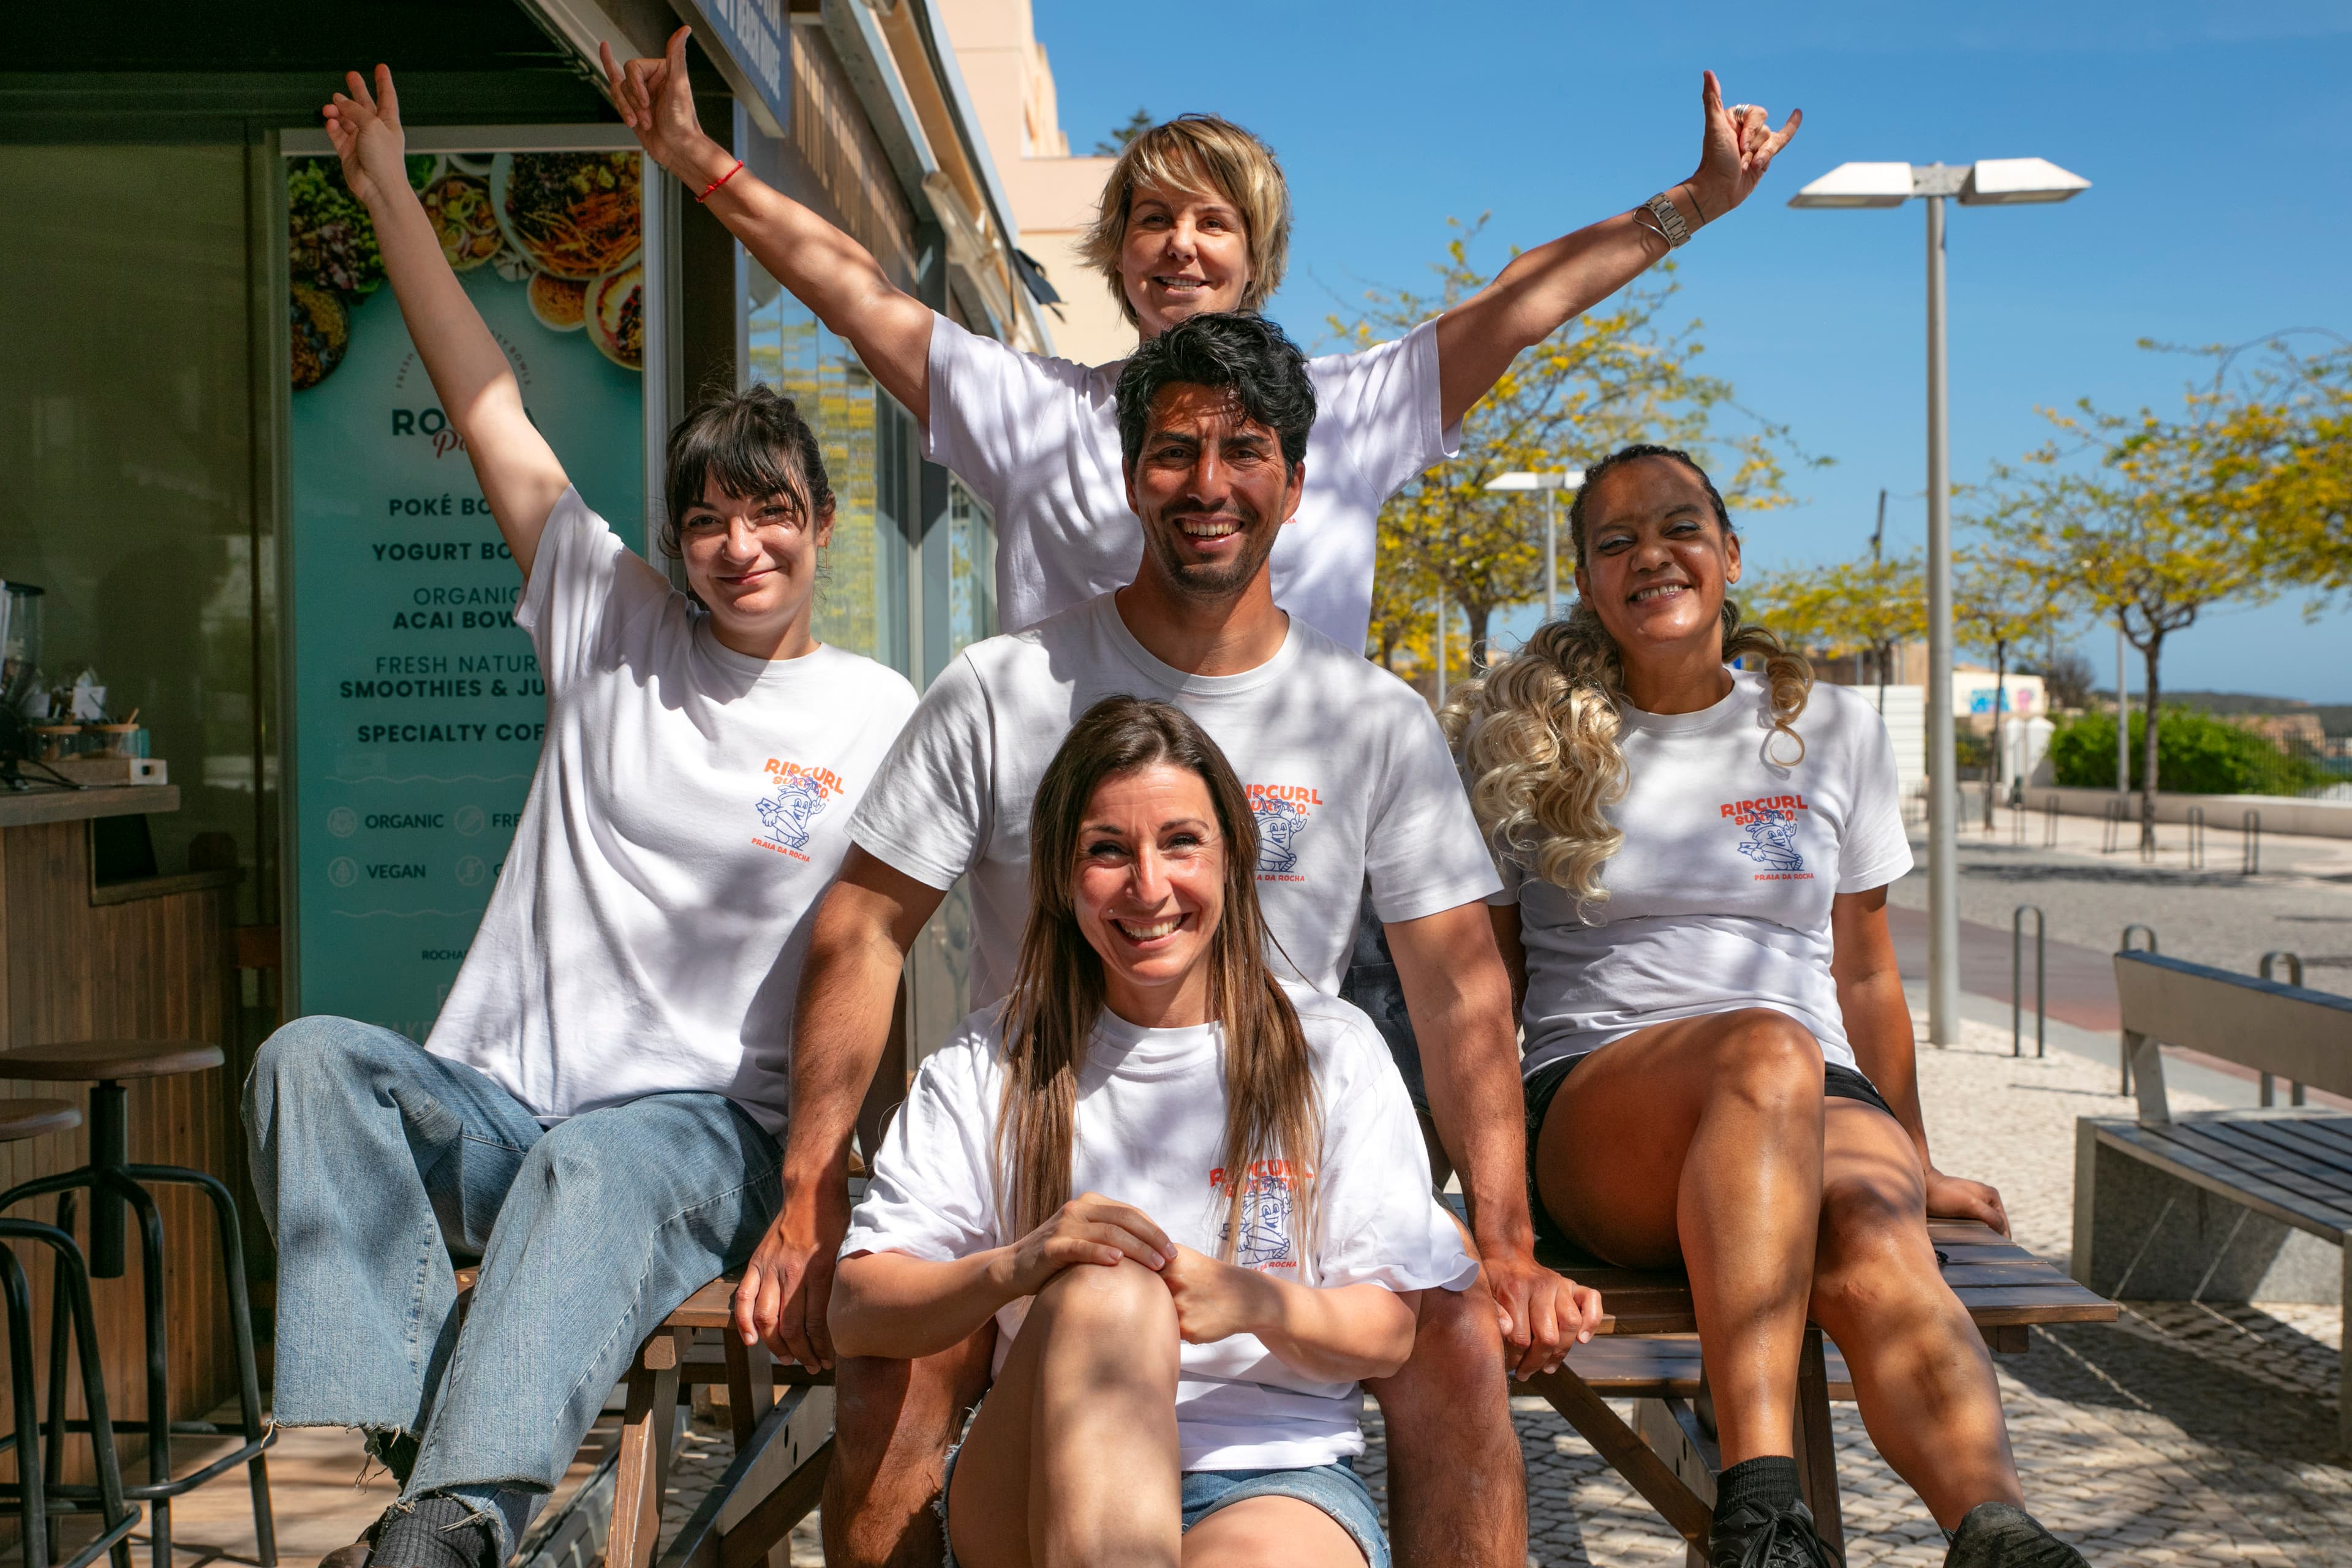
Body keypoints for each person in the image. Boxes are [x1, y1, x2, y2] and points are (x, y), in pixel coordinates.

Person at [784, 311, 1600, 1568]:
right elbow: (863, 927)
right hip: (1029, 1172)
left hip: (1270, 1205)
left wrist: (1502, 1234)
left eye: (1243, 451)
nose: (1207, 483)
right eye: (1173, 452)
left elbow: (1458, 986)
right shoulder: (1005, 691)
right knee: (938, 1350)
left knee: (1450, 1325)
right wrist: (810, 1194)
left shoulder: (1364, 725)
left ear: (1297, 480)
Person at [242, 66, 919, 1568]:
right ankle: (446, 1473)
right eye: (708, 519)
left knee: (599, 1162)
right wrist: (393, 199)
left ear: (817, 521)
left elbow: (896, 947)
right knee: (309, 1063)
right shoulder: (610, 622)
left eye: (770, 511)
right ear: (676, 542)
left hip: (701, 1137)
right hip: (503, 1108)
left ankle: (449, 1533)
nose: (740, 543)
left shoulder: (879, 712)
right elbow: (489, 397)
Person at [600, 28, 1799, 654]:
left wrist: (1686, 206)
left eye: (1213, 222)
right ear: (1119, 253)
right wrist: (703, 167)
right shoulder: (1037, 413)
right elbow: (857, 291)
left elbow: (1522, 299)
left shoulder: (1353, 406)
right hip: (1074, 903)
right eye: (1154, 219)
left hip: (1290, 899)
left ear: (1255, 257)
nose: (1181, 245)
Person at [1444, 443, 2092, 1568]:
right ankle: (1762, 1508)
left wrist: (1918, 1156)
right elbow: (1480, 992)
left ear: (1730, 554)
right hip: (1603, 1105)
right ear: (1590, 583)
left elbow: (1867, 971)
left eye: (1680, 526)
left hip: (1818, 1087)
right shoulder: (1521, 745)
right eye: (1615, 541)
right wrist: (1488, 1213)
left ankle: (1999, 1534)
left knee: (1875, 1226)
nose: (1652, 554)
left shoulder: (1828, 731)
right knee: (1765, 1049)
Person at [834, 693, 1479, 1568]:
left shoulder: (1329, 1049)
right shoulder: (993, 1056)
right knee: (1108, 1289)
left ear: (1233, 857)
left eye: (1181, 842)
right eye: (1108, 851)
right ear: (1064, 878)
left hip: (1268, 1476)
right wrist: (1019, 1267)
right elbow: (857, 1310)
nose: (1148, 886)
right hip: (1037, 1474)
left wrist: (1250, 1300)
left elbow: (1390, 1332)